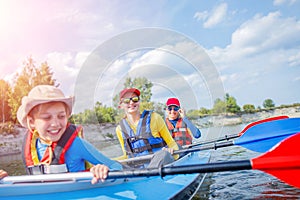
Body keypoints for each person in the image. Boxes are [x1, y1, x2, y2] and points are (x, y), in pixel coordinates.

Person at [17, 85, 123, 184]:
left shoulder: (77, 144)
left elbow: (116, 166)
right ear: (31, 122)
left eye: (61, 116)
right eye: (46, 118)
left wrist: (103, 169)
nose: (55, 124)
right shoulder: (32, 147)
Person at [115, 88, 179, 168]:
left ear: (139, 101)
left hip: (161, 165)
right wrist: (107, 162)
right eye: (127, 101)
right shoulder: (119, 129)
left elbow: (171, 143)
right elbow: (126, 156)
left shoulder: (155, 118)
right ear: (121, 105)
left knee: (164, 154)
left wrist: (172, 152)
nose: (131, 102)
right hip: (138, 171)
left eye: (135, 99)